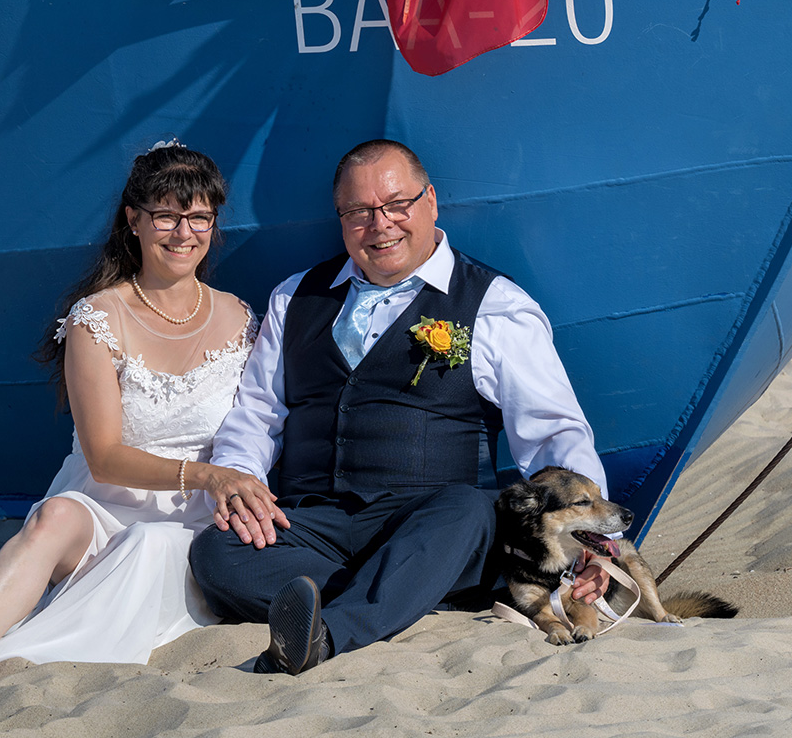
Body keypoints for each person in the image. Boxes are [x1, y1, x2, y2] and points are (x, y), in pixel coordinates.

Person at [0, 143, 284, 724]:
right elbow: (103, 458)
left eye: (199, 216)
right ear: (133, 220)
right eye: (166, 216)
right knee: (52, 516)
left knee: (152, 545)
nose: (183, 233)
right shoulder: (96, 318)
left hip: (196, 518)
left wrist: (232, 483)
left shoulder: (238, 315)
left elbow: (260, 421)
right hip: (109, 504)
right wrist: (206, 473)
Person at [189, 139, 610, 675]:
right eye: (359, 212)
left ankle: (329, 632)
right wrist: (239, 482)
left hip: (429, 518)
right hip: (314, 523)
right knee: (217, 552)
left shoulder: (496, 303)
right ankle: (397, 592)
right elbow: (256, 416)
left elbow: (554, 437)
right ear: (340, 219)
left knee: (473, 509)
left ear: (430, 201)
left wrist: (595, 540)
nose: (380, 224)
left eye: (395, 205)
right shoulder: (295, 298)